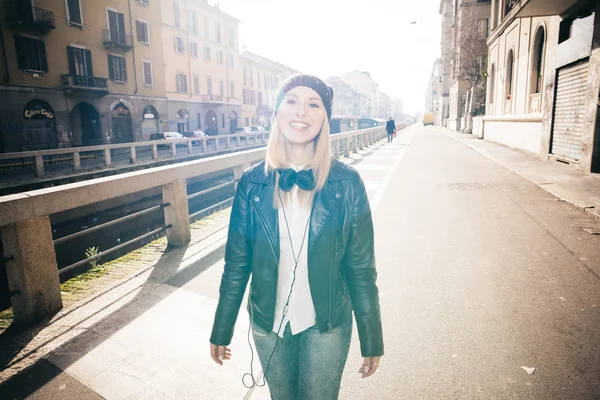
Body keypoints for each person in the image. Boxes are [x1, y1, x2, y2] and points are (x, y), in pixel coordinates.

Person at [209, 74, 384, 400]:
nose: (301, 112)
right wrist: (222, 327)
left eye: (313, 104)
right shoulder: (251, 183)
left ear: (324, 118)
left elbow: (361, 267)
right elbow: (236, 263)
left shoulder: (347, 183)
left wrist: (372, 336)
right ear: (277, 112)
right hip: (268, 324)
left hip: (326, 325)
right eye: (291, 101)